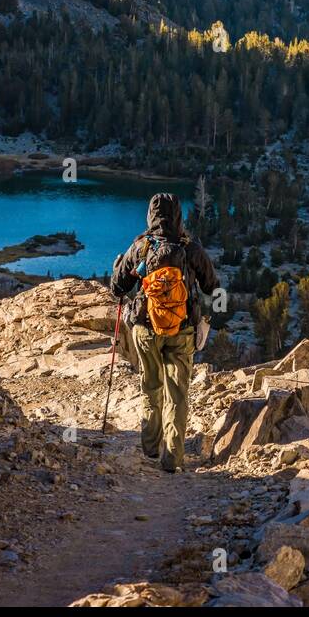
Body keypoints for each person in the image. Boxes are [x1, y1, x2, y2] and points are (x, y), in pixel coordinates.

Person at [110, 193, 218, 471]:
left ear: (150, 216)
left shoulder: (141, 247)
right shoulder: (190, 248)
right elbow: (211, 287)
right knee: (178, 393)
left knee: (151, 387)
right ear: (179, 216)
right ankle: (172, 458)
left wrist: (124, 269)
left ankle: (149, 449)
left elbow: (117, 289)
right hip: (183, 330)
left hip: (146, 329)